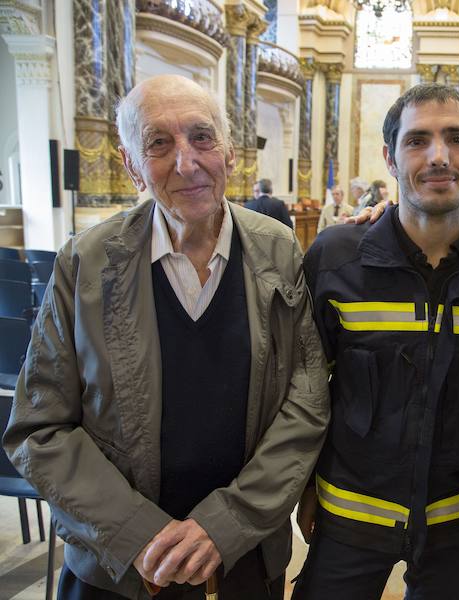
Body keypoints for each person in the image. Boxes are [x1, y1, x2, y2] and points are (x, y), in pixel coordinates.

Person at [2, 74, 330, 600]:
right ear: (131, 163)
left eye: (202, 137)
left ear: (228, 150)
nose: (186, 161)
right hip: (119, 568)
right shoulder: (85, 262)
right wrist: (140, 534)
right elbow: (39, 429)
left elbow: (306, 403)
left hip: (243, 560)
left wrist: (223, 526)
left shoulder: (278, 249)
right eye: (158, 143)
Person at [292, 83, 459, 600]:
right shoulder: (336, 259)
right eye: (418, 140)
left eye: (456, 139)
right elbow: (302, 388)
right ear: (390, 157)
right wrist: (303, 485)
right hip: (349, 519)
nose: (439, 156)